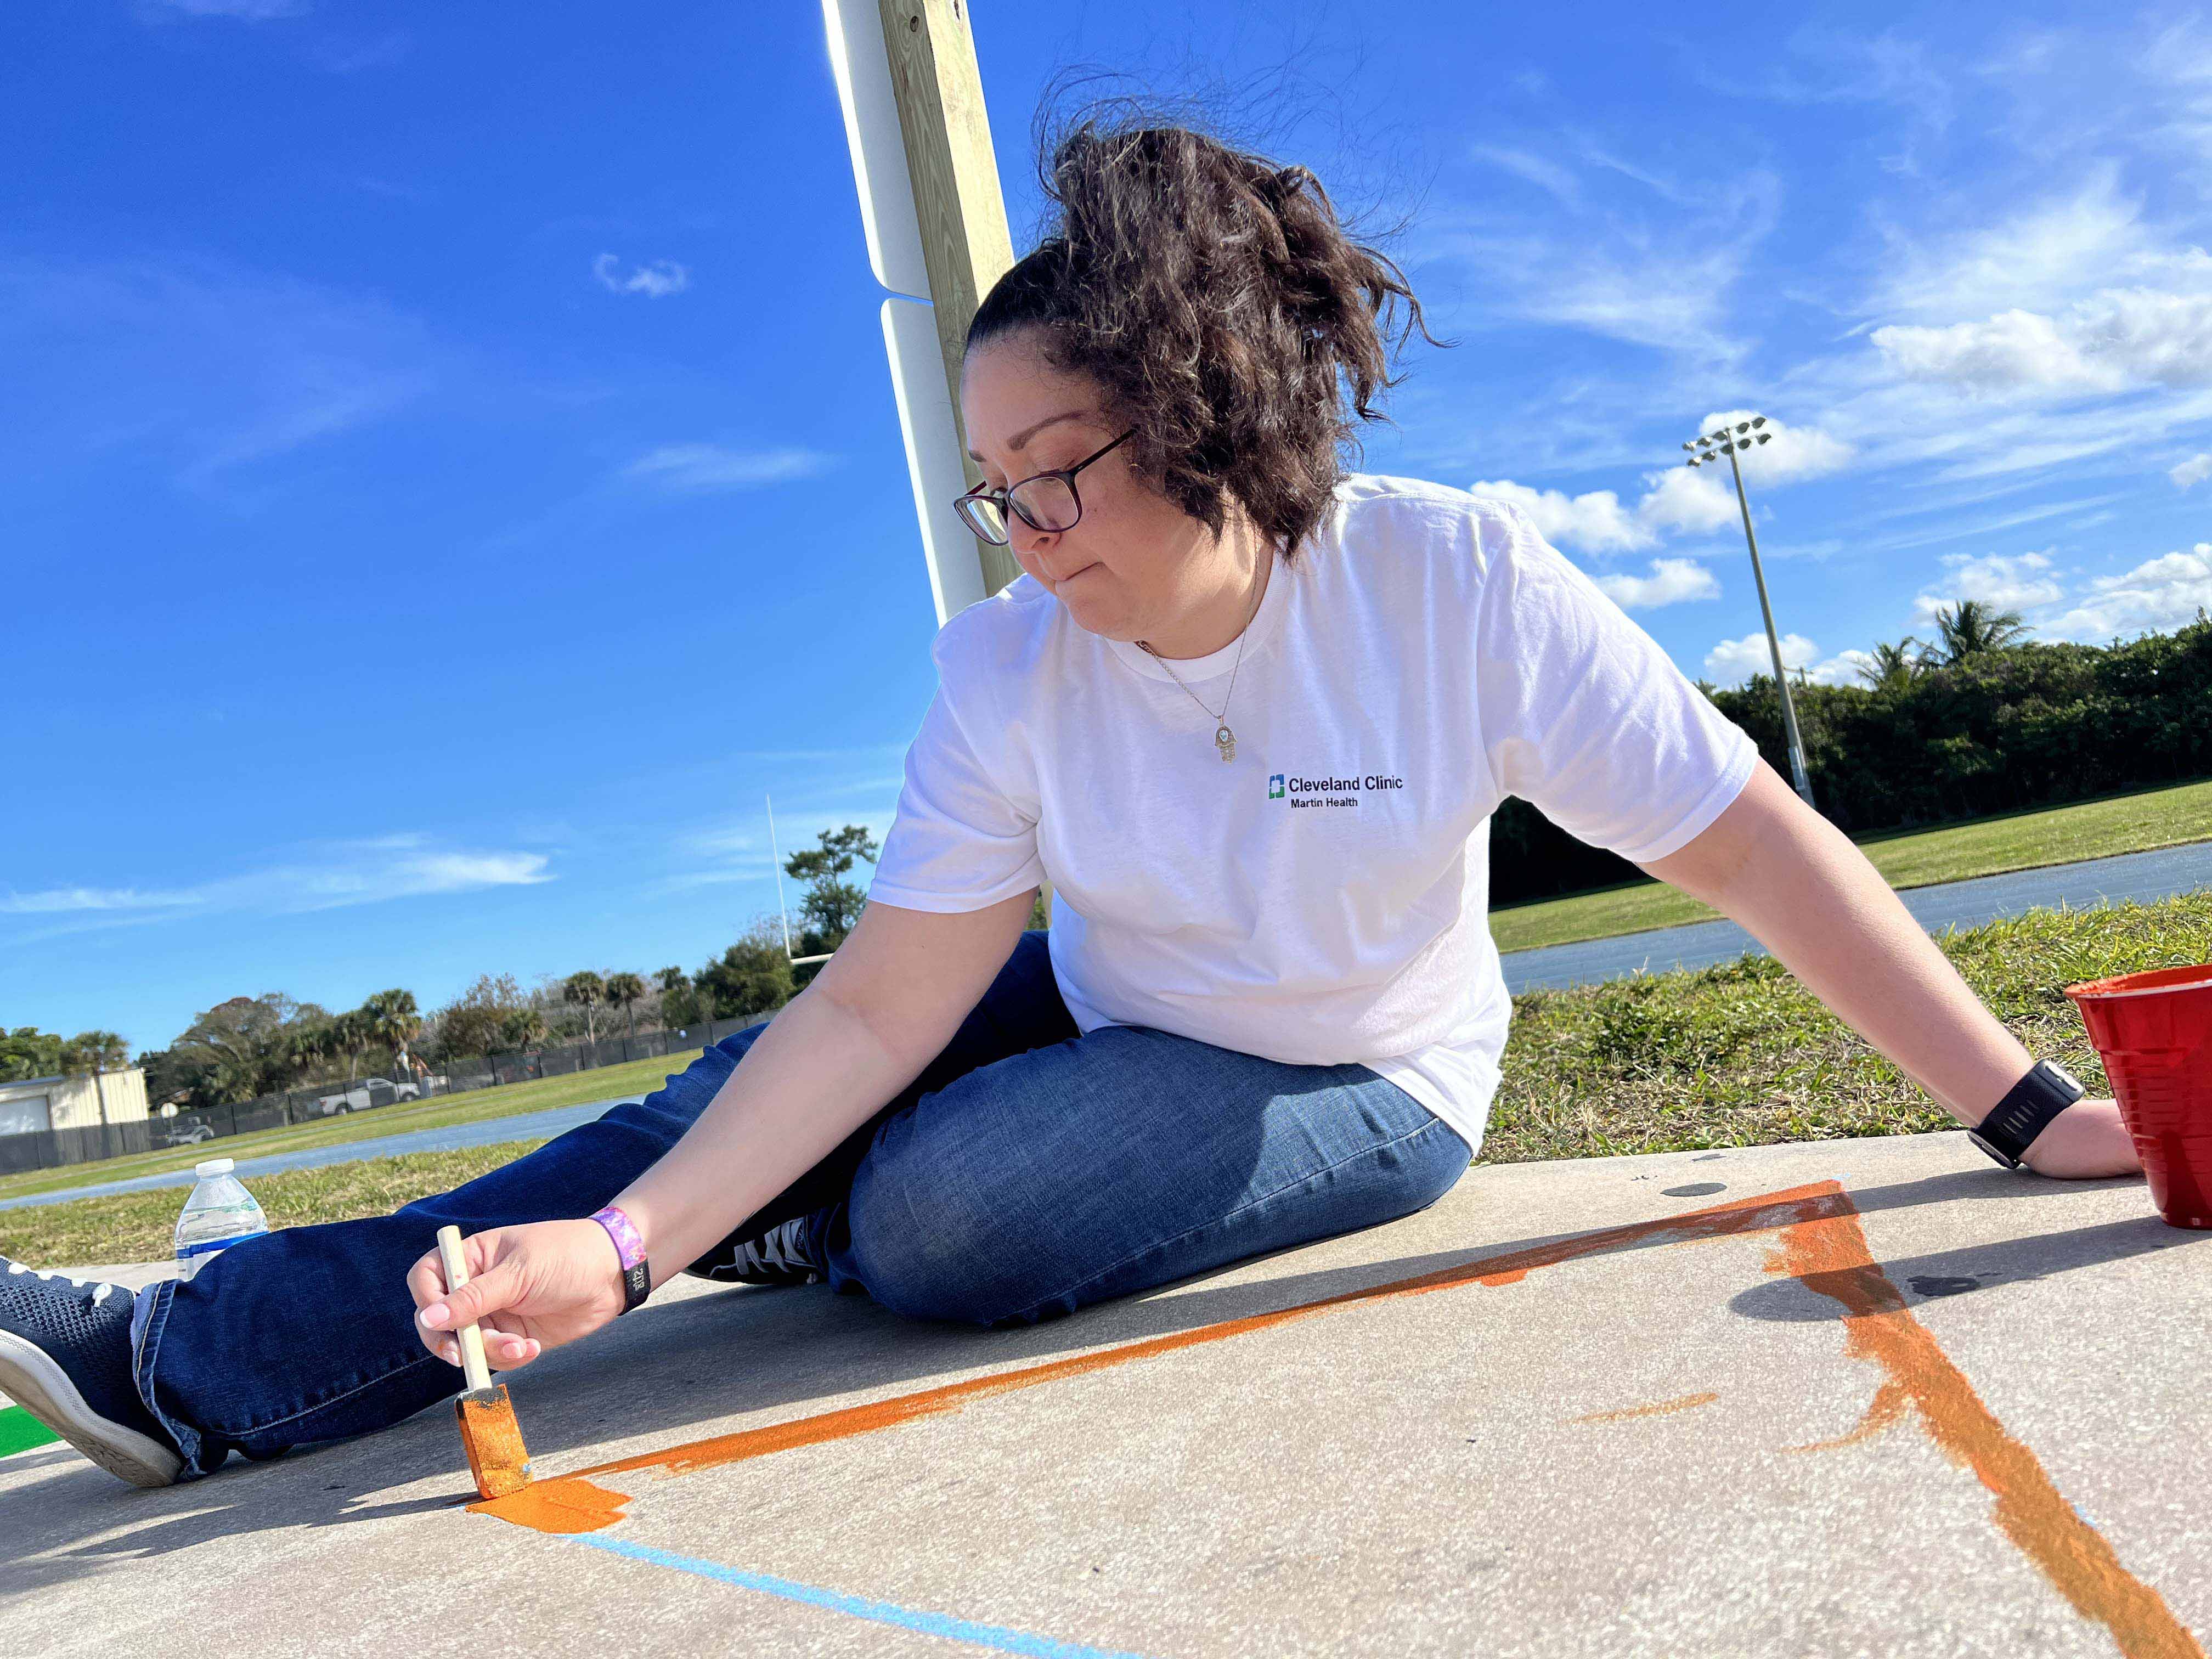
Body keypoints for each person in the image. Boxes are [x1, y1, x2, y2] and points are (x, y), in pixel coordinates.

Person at [0, 119, 2141, 1491]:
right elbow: (880, 1001)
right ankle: (197, 1367)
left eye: (1062, 476)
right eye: (990, 487)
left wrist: (2028, 1113)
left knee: (937, 1214)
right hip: (1103, 1002)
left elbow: (1751, 843)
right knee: (735, 1097)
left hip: (1361, 1069)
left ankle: (768, 1199)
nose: (1022, 533)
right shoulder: (1005, 666)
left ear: (1214, 419)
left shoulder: (1453, 580)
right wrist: (636, 1249)